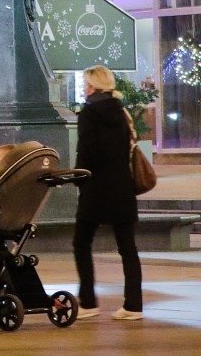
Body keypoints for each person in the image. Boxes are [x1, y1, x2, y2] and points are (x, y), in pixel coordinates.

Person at [72, 65, 144, 322]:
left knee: (81, 243)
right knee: (128, 248)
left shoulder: (89, 113)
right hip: (122, 187)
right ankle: (133, 305)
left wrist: (79, 180)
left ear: (92, 86)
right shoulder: (121, 111)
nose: (83, 87)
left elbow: (87, 152)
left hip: (96, 188)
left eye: (85, 83)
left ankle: (88, 302)